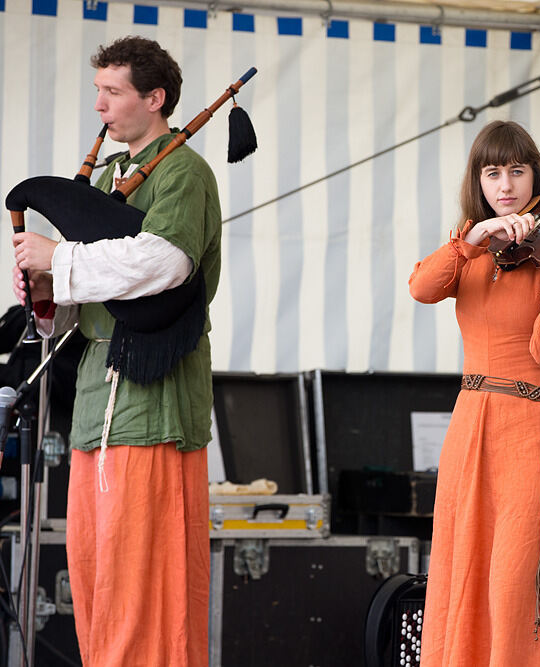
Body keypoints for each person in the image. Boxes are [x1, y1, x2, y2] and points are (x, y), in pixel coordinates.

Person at [11, 36, 220, 667]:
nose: (99, 105)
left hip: (155, 405)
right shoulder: (107, 178)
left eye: (112, 91)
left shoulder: (185, 171)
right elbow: (92, 298)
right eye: (97, 90)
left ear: (154, 98)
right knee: (98, 576)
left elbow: (164, 263)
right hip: (96, 404)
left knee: (144, 583)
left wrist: (61, 258)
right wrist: (48, 294)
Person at [409, 120, 540, 665]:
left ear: (534, 174)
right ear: (479, 181)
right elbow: (422, 288)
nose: (506, 184)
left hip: (533, 427)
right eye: (493, 173)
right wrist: (468, 241)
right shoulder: (472, 245)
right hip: (473, 424)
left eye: (517, 170)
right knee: (464, 566)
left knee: (517, 577)